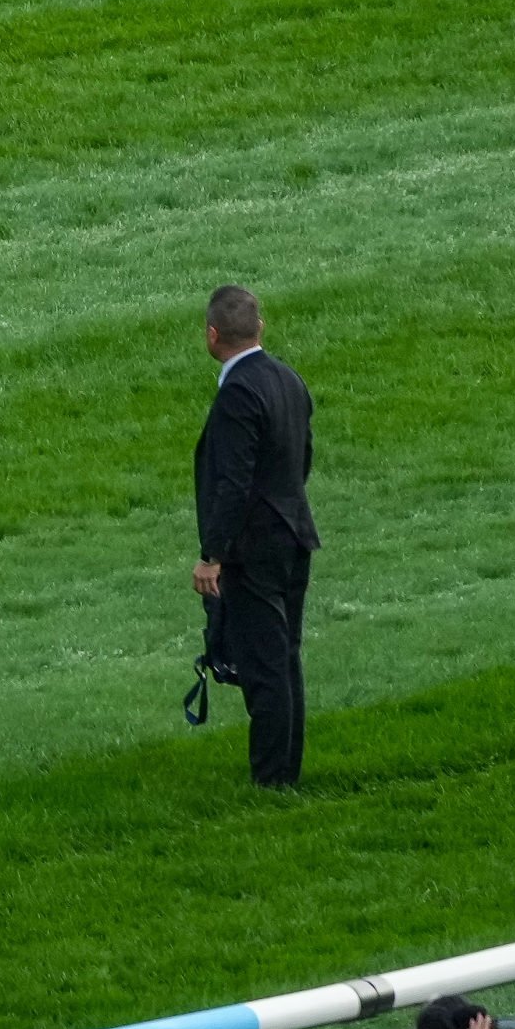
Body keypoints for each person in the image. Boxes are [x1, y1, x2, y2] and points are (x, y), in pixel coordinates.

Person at [192, 284, 318, 788]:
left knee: (265, 668)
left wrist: (212, 556)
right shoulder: (289, 379)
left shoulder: (238, 394)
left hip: (255, 550)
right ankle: (286, 770)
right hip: (294, 534)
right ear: (259, 328)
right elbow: (301, 458)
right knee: (285, 659)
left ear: (212, 335)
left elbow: (233, 482)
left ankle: (272, 781)